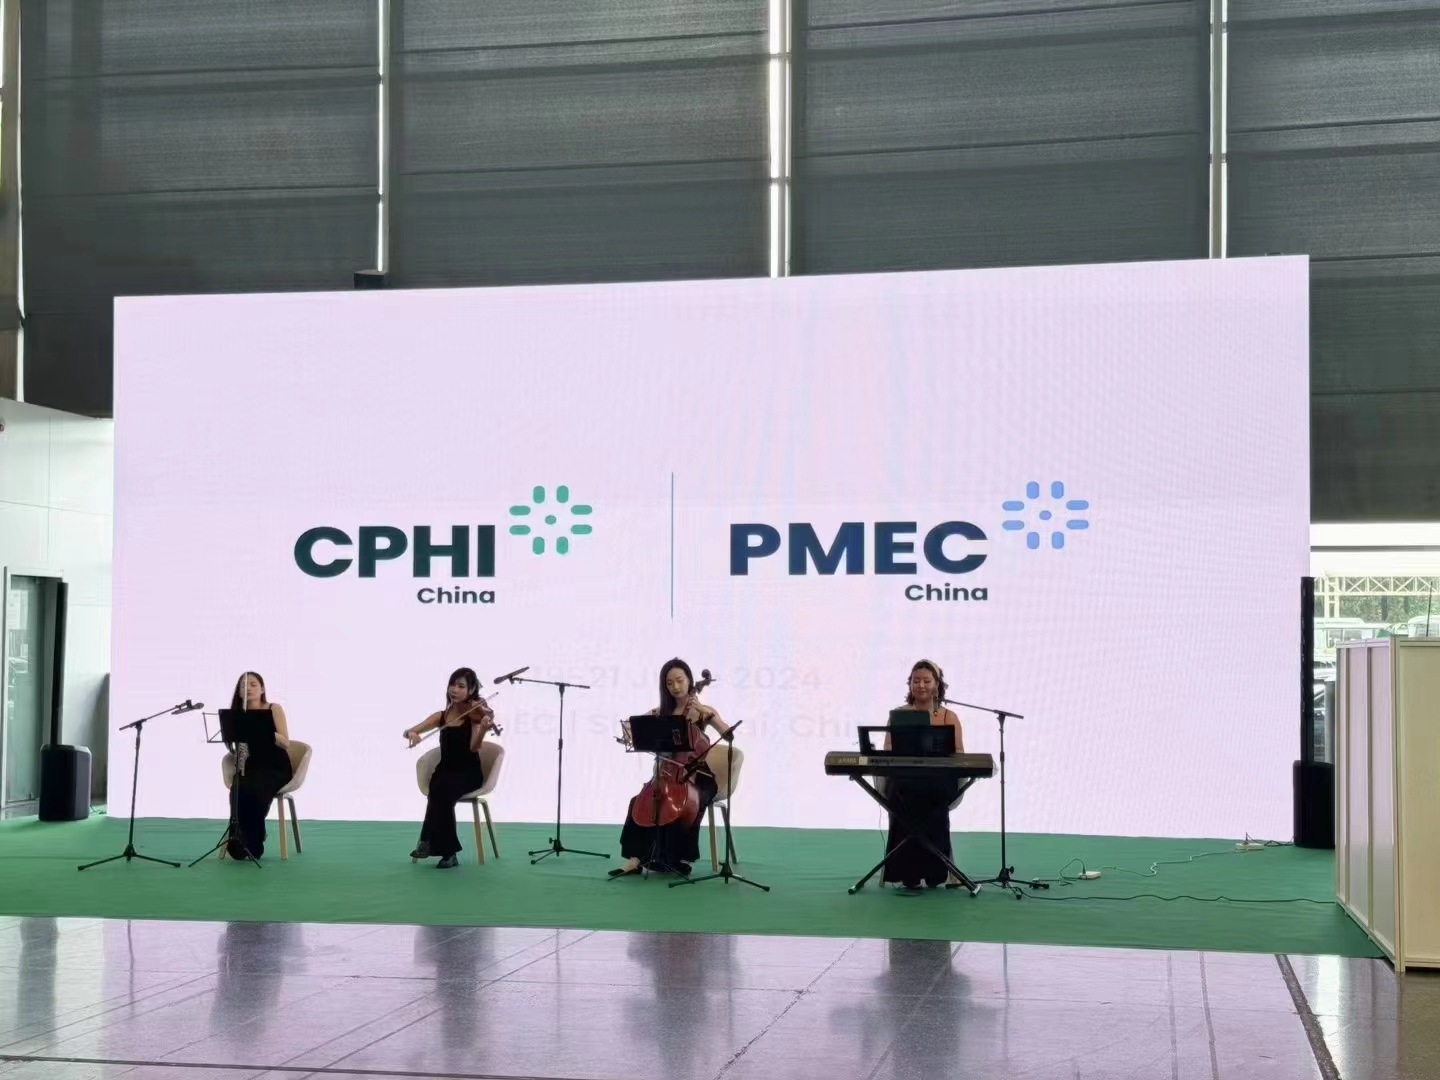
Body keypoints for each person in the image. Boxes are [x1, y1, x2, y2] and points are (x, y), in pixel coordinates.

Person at [611, 658, 729, 878]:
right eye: (669, 683)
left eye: (680, 680)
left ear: (689, 680)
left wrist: (707, 712)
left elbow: (729, 734)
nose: (675, 686)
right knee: (639, 801)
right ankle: (634, 859)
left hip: (698, 774)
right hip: (668, 773)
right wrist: (629, 733)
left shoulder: (703, 711)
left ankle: (679, 858)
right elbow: (632, 728)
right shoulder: (661, 712)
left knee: (690, 801)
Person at [883, 659, 964, 891]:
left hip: (939, 781)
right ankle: (907, 875)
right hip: (905, 781)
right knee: (903, 795)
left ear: (937, 684)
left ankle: (934, 874)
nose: (921, 685)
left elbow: (959, 753)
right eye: (916, 680)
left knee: (932, 796)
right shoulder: (899, 714)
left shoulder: (949, 716)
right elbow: (888, 749)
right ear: (910, 684)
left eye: (926, 681)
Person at [405, 668, 497, 869]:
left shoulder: (474, 715)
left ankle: (430, 842)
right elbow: (410, 730)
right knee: (439, 786)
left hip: (468, 773)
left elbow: (474, 747)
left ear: (471, 690)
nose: (455, 689)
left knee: (440, 790)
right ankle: (447, 852)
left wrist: (483, 728)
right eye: (452, 685)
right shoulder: (441, 716)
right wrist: (413, 734)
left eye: (461, 686)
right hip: (445, 771)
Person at [225, 672, 293, 861]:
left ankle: (253, 843)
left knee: (257, 789)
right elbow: (237, 748)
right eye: (243, 685)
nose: (248, 688)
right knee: (238, 789)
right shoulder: (238, 715)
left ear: (262, 689)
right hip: (251, 766)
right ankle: (238, 839)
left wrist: (265, 731)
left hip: (276, 767)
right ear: (239, 692)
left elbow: (286, 743)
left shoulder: (274, 709)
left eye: (253, 684)